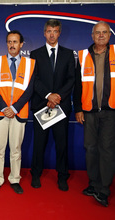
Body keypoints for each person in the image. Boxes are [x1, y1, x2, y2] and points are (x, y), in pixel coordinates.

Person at [30, 19, 75, 191]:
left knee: (62, 145)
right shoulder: (35, 54)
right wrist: (49, 95)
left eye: (55, 31)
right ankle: (36, 174)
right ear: (44, 33)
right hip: (41, 105)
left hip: (61, 107)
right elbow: (34, 79)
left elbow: (71, 79)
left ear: (59, 33)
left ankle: (62, 176)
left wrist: (57, 97)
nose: (52, 34)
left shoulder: (68, 54)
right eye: (49, 31)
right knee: (39, 144)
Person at [73, 21, 115, 207]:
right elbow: (77, 86)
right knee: (90, 148)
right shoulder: (82, 56)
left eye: (104, 32)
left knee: (106, 150)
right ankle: (93, 183)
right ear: (92, 35)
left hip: (110, 111)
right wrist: (78, 109)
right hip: (89, 112)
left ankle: (104, 189)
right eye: (97, 32)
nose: (100, 35)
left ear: (109, 35)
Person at [0, 30, 35, 194]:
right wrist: (3, 107)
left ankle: (15, 179)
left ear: (21, 44)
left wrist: (15, 108)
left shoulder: (31, 64)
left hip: (19, 113)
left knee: (16, 149)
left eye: (15, 42)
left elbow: (30, 90)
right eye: (9, 42)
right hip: (0, 112)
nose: (12, 45)